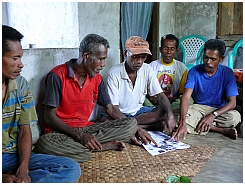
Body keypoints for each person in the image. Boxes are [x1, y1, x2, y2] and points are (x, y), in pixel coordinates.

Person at [33, 34, 156, 162]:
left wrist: (137, 129)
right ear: (86, 56)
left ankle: (82, 149)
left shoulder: (96, 79)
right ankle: (100, 147)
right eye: (101, 59)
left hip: (88, 129)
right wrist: (80, 136)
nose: (103, 65)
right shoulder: (57, 76)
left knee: (130, 124)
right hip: (60, 133)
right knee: (44, 145)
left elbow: (111, 110)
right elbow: (49, 116)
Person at [2, 25, 81, 183]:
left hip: (11, 155)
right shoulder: (57, 75)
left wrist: (23, 170)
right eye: (15, 58)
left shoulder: (21, 85)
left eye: (21, 58)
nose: (21, 64)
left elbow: (25, 130)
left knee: (70, 168)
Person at [101, 35, 177, 138]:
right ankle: (143, 126)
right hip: (118, 114)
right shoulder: (114, 73)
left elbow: (160, 95)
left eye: (143, 57)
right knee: (105, 122)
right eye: (135, 56)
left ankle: (130, 126)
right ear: (125, 53)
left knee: (164, 111)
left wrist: (170, 115)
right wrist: (136, 128)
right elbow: (113, 109)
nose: (139, 61)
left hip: (138, 113)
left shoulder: (147, 69)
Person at [171, 39, 241, 142]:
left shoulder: (227, 73)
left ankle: (198, 125)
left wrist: (212, 115)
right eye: (206, 57)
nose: (208, 62)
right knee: (175, 116)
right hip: (198, 109)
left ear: (221, 59)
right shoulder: (194, 71)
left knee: (235, 117)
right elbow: (186, 96)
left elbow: (232, 103)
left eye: (213, 59)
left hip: (218, 111)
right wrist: (182, 122)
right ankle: (219, 129)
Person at [149, 34, 188, 104]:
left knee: (181, 103)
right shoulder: (152, 66)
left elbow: (181, 91)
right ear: (160, 49)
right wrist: (154, 99)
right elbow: (146, 87)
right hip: (154, 100)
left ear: (176, 51)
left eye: (172, 49)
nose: (168, 52)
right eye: (166, 48)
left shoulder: (182, 68)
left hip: (172, 100)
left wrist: (171, 100)